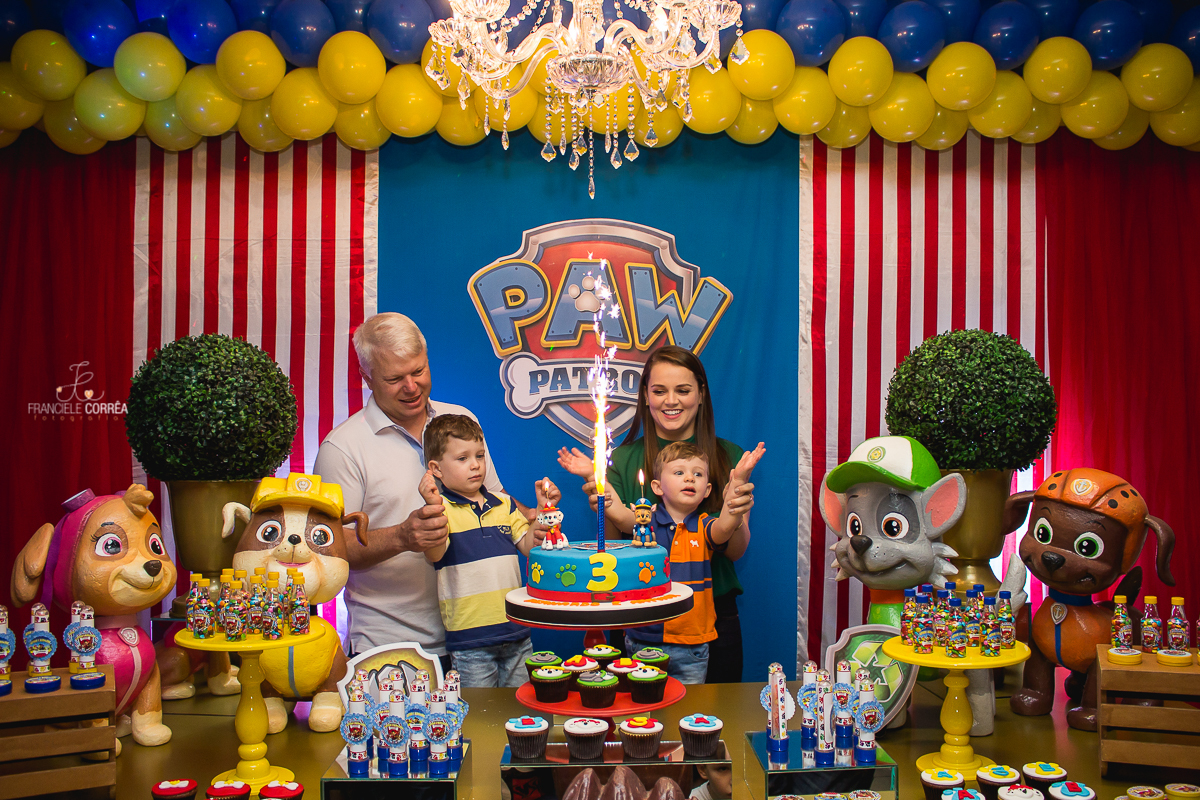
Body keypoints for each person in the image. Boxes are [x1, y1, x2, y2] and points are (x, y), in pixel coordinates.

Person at [313, 313, 549, 664]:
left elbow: (491, 498)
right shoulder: (343, 448)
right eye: (394, 378)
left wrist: (532, 515)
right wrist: (402, 537)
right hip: (393, 644)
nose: (411, 387)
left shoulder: (460, 420)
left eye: (418, 371)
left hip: (483, 635)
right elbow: (329, 549)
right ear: (367, 378)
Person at [558, 345, 756, 682]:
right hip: (639, 617)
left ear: (701, 394)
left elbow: (735, 551)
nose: (671, 401)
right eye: (659, 390)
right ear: (645, 396)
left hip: (708, 619)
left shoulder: (729, 457)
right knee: (640, 724)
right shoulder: (619, 461)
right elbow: (616, 545)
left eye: (683, 390)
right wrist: (603, 505)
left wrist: (734, 509)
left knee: (710, 725)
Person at [419, 415, 556, 687]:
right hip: (470, 643)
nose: (475, 465)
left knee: (520, 711)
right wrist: (432, 506)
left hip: (517, 632)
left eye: (480, 456)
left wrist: (543, 512)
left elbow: (530, 547)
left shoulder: (504, 504)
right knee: (481, 719)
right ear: (436, 468)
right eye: (462, 459)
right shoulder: (441, 511)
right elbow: (434, 554)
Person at [622, 441, 762, 683]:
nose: (689, 479)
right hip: (643, 639)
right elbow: (614, 510)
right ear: (657, 486)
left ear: (707, 490)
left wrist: (737, 483)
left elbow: (726, 525)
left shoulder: (705, 525)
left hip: (692, 644)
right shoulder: (645, 523)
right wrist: (591, 475)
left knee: (687, 712)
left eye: (697, 474)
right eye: (679, 473)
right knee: (644, 711)